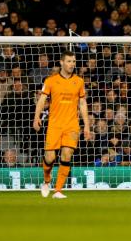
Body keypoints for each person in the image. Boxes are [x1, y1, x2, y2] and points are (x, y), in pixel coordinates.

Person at [33, 50, 91, 199]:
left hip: (72, 125)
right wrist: (36, 117)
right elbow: (41, 100)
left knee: (66, 155)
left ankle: (58, 190)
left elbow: (82, 103)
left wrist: (87, 125)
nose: (72, 64)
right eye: (69, 61)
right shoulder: (51, 81)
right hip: (54, 124)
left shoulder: (79, 81)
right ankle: (46, 180)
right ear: (62, 62)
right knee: (50, 158)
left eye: (73, 61)